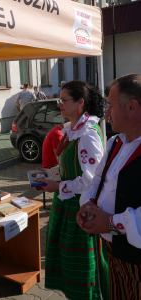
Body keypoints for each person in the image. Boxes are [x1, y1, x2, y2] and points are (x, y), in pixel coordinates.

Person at [40, 80, 107, 299]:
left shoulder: (87, 134)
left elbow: (91, 180)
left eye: (63, 100)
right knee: (69, 265)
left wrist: (57, 185)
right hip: (67, 206)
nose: (59, 104)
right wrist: (54, 177)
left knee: (81, 270)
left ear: (80, 103)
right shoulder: (74, 130)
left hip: (78, 211)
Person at [77, 74, 141, 300]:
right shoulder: (115, 142)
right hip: (111, 251)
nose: (106, 113)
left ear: (131, 107)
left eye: (111, 106)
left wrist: (111, 223)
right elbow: (96, 181)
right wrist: (87, 205)